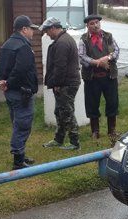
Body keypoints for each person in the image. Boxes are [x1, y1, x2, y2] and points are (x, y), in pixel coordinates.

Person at [0, 15, 39, 169]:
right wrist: (8, 82)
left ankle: (21, 154)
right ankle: (18, 162)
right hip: (21, 92)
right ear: (24, 29)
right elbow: (21, 70)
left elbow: (0, 67)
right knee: (23, 124)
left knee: (17, 123)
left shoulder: (7, 44)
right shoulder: (23, 46)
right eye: (31, 29)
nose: (33, 32)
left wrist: (1, 81)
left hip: (11, 92)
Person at [40, 17, 82, 150]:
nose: (46, 34)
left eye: (47, 31)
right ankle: (59, 139)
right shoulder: (64, 39)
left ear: (53, 28)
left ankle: (74, 143)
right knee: (59, 111)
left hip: (66, 83)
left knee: (67, 112)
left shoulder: (62, 43)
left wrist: (57, 83)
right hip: (67, 82)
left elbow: (60, 67)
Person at [78, 14, 120, 142]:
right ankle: (95, 132)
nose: (95, 25)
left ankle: (111, 131)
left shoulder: (108, 36)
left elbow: (117, 51)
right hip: (92, 78)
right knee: (92, 104)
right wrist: (96, 62)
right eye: (92, 23)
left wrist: (106, 58)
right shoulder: (83, 39)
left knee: (112, 103)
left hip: (109, 77)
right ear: (87, 26)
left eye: (97, 22)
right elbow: (81, 56)